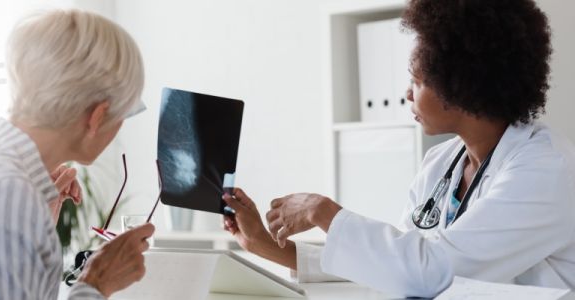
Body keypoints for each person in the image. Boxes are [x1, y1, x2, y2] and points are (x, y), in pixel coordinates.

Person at [223, 0, 575, 297]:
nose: (407, 93)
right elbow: (395, 267)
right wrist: (266, 248)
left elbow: (428, 271)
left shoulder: (547, 170)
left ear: (462, 83)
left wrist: (323, 212)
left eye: (417, 80)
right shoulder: (441, 163)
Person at [0, 10, 154, 299]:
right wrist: (95, 284)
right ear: (97, 117)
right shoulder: (7, 194)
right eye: (124, 114)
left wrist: (34, 226)